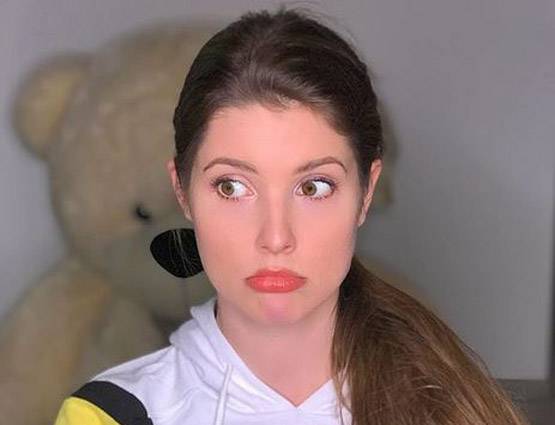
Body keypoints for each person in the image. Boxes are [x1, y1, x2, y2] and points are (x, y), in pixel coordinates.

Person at [53, 6, 530, 425]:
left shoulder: (449, 408)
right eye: (232, 187)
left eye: (313, 187)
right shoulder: (109, 415)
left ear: (366, 192)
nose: (276, 236)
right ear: (183, 191)